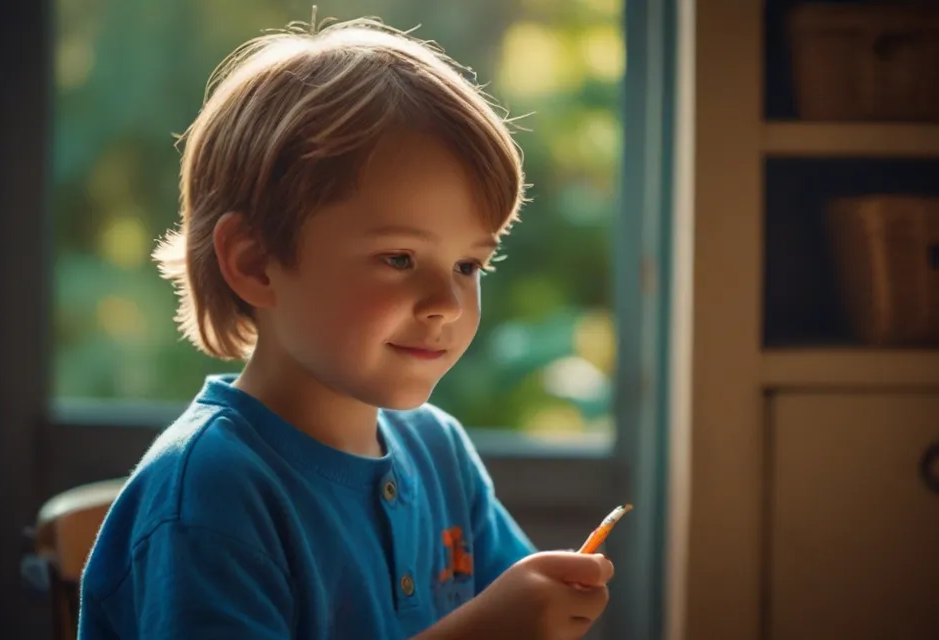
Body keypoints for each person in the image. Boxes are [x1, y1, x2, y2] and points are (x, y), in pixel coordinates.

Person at [76, 16, 614, 640]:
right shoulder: (212, 494)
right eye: (399, 259)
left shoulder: (439, 454)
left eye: (469, 264)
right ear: (255, 263)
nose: (447, 302)